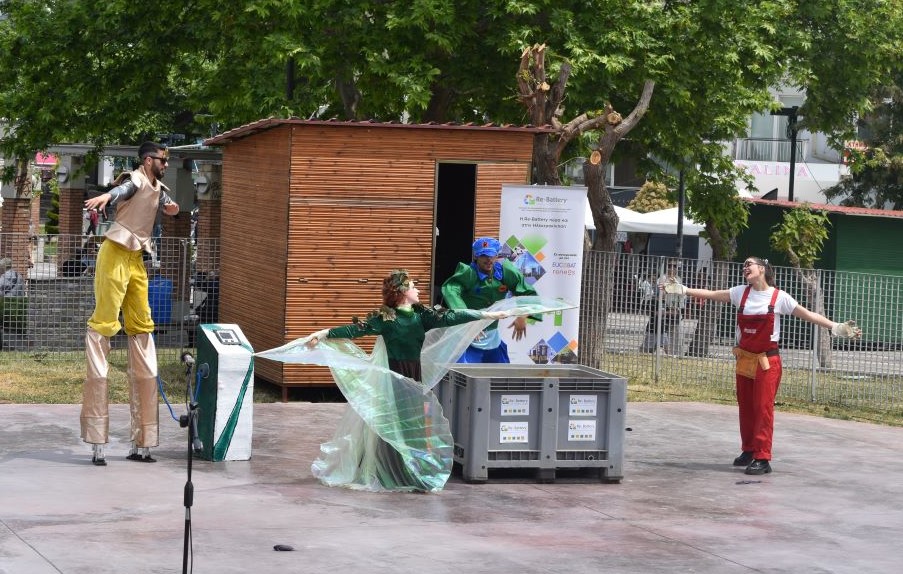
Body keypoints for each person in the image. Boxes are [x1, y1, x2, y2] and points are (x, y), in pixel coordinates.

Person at [304, 269, 508, 491]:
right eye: (413, 286)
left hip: (414, 376)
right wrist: (324, 333)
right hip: (393, 377)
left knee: (414, 423)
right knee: (395, 421)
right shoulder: (386, 319)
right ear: (402, 292)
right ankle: (390, 471)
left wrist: (484, 315)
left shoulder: (422, 315)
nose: (418, 289)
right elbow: (356, 329)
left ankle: (413, 471)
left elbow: (451, 317)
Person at [663, 256, 862, 475]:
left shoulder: (779, 297)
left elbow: (808, 314)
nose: (745, 267)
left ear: (762, 269)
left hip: (767, 363)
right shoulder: (740, 293)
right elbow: (712, 294)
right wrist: (683, 290)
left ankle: (762, 458)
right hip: (745, 360)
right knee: (746, 407)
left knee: (762, 409)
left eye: (749, 264)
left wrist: (836, 327)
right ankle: (749, 450)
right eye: (744, 265)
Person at [80, 142, 180, 466]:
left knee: (142, 329)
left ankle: (144, 440)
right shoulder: (135, 178)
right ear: (148, 160)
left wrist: (171, 207)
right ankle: (97, 438)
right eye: (162, 160)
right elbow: (124, 190)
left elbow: (164, 204)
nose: (166, 164)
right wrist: (107, 197)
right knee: (103, 327)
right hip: (114, 254)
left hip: (137, 259)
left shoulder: (158, 187)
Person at [441, 237, 538, 363]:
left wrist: (522, 316)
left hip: (492, 338)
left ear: (496, 255)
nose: (488, 259)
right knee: (464, 372)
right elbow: (451, 291)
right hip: (467, 337)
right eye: (484, 255)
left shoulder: (504, 272)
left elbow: (528, 292)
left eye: (492, 255)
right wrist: (468, 321)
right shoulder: (469, 273)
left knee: (500, 373)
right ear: (476, 256)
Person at [640, 260, 685, 355]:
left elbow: (681, 296)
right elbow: (658, 296)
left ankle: (675, 355)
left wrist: (679, 309)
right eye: (669, 265)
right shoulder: (662, 278)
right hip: (664, 309)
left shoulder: (679, 279)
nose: (672, 268)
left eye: (674, 266)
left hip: (674, 310)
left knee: (674, 338)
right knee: (657, 336)